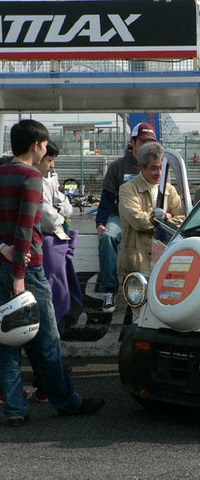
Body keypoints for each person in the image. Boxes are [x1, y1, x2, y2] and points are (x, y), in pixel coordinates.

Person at [0, 119, 104, 426]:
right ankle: (66, 401)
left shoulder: (1, 173)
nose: (46, 150)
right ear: (36, 146)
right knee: (47, 340)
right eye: (46, 146)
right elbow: (26, 227)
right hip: (28, 271)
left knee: (6, 344)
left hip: (2, 265)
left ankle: (16, 409)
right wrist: (19, 274)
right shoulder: (31, 177)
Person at [95, 122, 156, 312]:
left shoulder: (158, 165)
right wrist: (100, 223)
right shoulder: (117, 167)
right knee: (107, 237)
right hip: (120, 217)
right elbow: (106, 199)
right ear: (133, 142)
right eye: (143, 141)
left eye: (151, 142)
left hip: (148, 216)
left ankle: (155, 291)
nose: (147, 145)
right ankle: (109, 291)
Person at [118, 142, 185, 276]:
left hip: (166, 259)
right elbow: (138, 221)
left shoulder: (169, 189)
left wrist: (159, 219)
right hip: (137, 261)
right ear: (141, 167)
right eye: (154, 168)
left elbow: (183, 219)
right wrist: (168, 216)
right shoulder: (127, 189)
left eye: (162, 168)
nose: (159, 173)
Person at [36, 141, 83, 334]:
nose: (52, 164)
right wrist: (59, 212)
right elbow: (48, 218)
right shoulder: (33, 181)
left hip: (54, 247)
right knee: (52, 300)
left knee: (59, 296)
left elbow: (66, 204)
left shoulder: (47, 180)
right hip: (44, 249)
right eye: (49, 159)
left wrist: (58, 210)